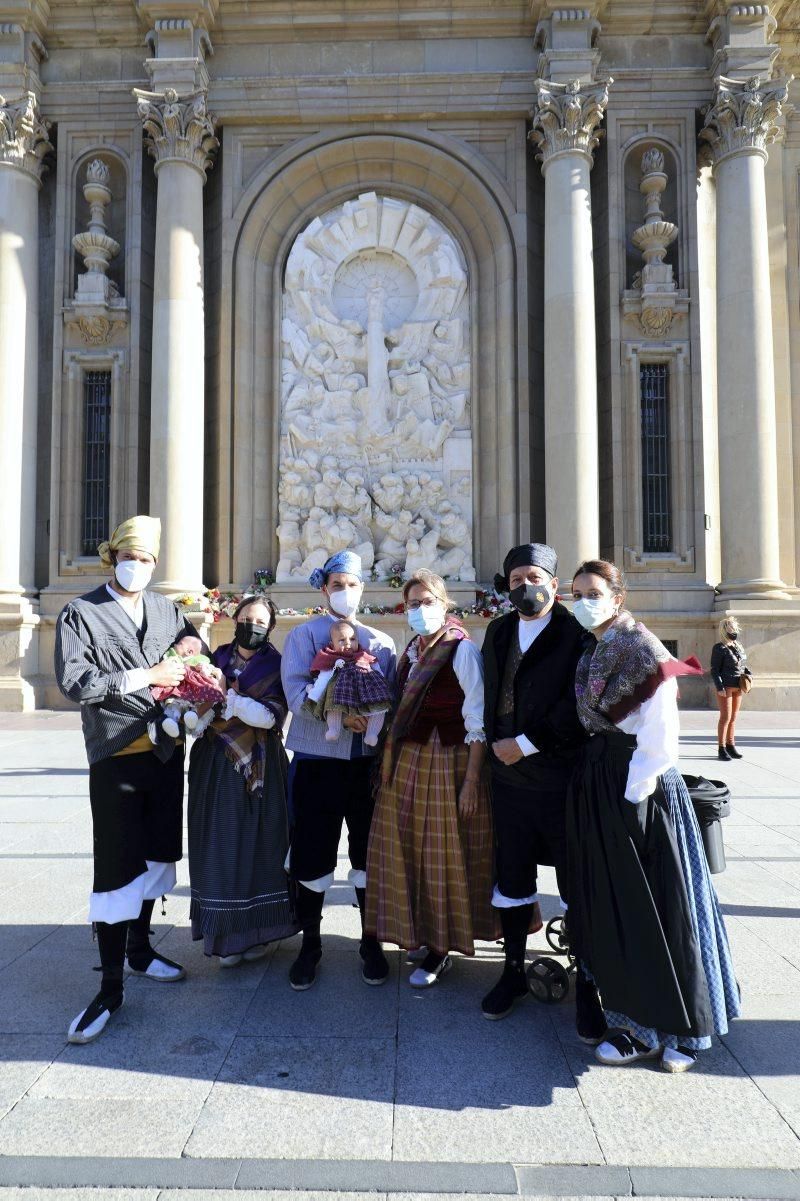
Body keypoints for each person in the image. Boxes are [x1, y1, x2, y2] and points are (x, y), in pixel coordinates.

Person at [567, 559, 741, 1073]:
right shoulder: (596, 648)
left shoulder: (642, 650)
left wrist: (634, 799)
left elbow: (660, 736)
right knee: (621, 907)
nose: (583, 601)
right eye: (576, 593)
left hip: (640, 790)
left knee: (668, 906)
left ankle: (688, 1029)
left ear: (617, 597)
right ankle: (634, 1024)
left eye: (593, 592)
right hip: (603, 783)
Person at [54, 516, 221, 1044]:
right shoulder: (80, 613)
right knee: (117, 863)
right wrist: (146, 676)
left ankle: (140, 949)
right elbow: (76, 681)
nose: (139, 567)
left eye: (148, 560)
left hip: (166, 753)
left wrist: (196, 651)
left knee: (155, 855)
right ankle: (108, 987)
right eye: (131, 557)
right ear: (113, 558)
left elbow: (191, 640)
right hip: (117, 754)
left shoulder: (164, 608)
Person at [481, 542, 603, 1038]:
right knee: (512, 878)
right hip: (507, 782)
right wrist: (493, 744)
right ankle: (511, 970)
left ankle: (589, 987)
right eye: (515, 581)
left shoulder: (576, 636)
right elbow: (488, 694)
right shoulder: (498, 630)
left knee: (575, 883)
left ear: (554, 584)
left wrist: (528, 743)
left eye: (534, 578)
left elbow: (580, 706)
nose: (525, 588)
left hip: (558, 779)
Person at [365, 570, 495, 987]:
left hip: (447, 759)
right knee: (410, 849)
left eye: (427, 602)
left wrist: (471, 782)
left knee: (442, 851)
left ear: (445, 603)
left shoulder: (461, 651)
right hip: (408, 760)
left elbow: (478, 718)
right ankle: (420, 932)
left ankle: (442, 947)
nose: (420, 610)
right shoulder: (412, 649)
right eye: (413, 604)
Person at [280, 550, 397, 990]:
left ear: (362, 588)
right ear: (324, 588)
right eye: (336, 584)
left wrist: (371, 719)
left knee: (369, 851)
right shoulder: (304, 637)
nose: (344, 592)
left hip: (364, 766)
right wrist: (339, 715)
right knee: (312, 852)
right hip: (317, 762)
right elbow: (294, 693)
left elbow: (390, 696)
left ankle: (371, 942)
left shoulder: (380, 642)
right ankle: (309, 943)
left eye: (351, 584)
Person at [187, 595, 299, 966]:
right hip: (215, 765)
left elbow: (272, 717)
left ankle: (258, 931)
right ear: (235, 619)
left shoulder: (277, 666)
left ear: (270, 629)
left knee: (260, 848)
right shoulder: (214, 658)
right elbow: (195, 705)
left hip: (261, 768)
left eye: (261, 621)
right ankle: (226, 937)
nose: (253, 625)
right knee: (219, 845)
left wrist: (231, 698)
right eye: (247, 617)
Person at [303, 617, 392, 746]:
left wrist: (381, 685)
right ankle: (333, 729)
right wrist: (315, 694)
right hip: (342, 691)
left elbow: (377, 669)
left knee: (380, 707)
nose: (348, 643)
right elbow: (324, 678)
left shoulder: (364, 655)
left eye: (352, 639)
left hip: (367, 690)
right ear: (332, 644)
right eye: (341, 640)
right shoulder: (331, 658)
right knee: (333, 705)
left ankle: (372, 734)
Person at [150, 633, 226, 740]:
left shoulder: (199, 661)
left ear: (189, 652)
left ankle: (192, 716)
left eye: (180, 644)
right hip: (176, 689)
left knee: (196, 703)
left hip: (193, 689)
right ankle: (171, 721)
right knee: (173, 703)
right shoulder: (172, 657)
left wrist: (203, 669)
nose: (175, 645)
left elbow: (209, 670)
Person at [711, 617, 747, 760]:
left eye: (735, 629)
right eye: (731, 629)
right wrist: (719, 687)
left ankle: (731, 745)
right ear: (724, 630)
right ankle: (721, 748)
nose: (734, 631)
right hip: (725, 687)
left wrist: (748, 675)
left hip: (738, 686)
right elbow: (715, 670)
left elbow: (742, 665)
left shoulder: (738, 646)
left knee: (733, 718)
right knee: (725, 718)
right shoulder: (719, 648)